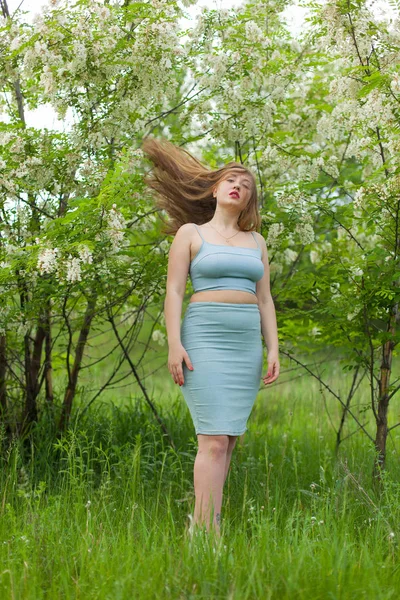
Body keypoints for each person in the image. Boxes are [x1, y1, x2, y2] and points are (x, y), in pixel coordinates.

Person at [141, 136, 280, 538]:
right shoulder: (190, 233)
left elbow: (265, 299)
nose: (239, 186)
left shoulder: (257, 242)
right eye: (232, 180)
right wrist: (174, 342)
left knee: (228, 440)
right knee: (214, 439)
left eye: (246, 185)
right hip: (204, 337)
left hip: (244, 347)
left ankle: (204, 525)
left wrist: (273, 348)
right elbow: (174, 292)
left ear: (249, 201)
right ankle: (205, 533)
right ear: (216, 189)